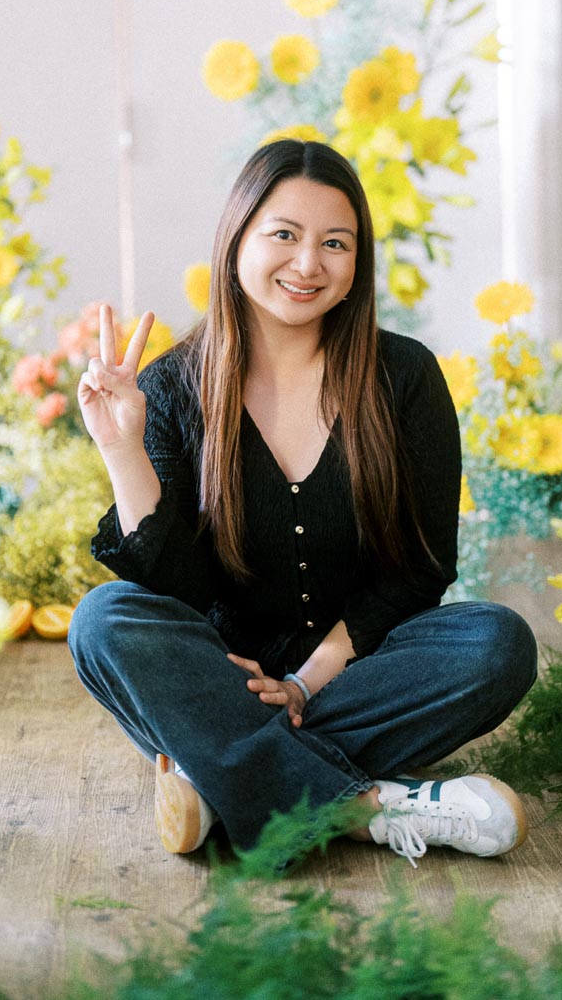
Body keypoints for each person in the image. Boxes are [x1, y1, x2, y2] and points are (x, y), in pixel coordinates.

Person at [68, 140, 537, 865]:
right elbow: (178, 594)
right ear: (237, 241)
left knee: (496, 642)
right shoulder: (169, 387)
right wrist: (120, 447)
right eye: (283, 234)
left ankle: (220, 773)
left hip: (355, 671)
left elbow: (420, 569)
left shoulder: (405, 377)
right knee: (103, 621)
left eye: (335, 243)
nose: (308, 263)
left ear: (358, 264)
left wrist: (302, 684)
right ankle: (362, 807)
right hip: (220, 672)